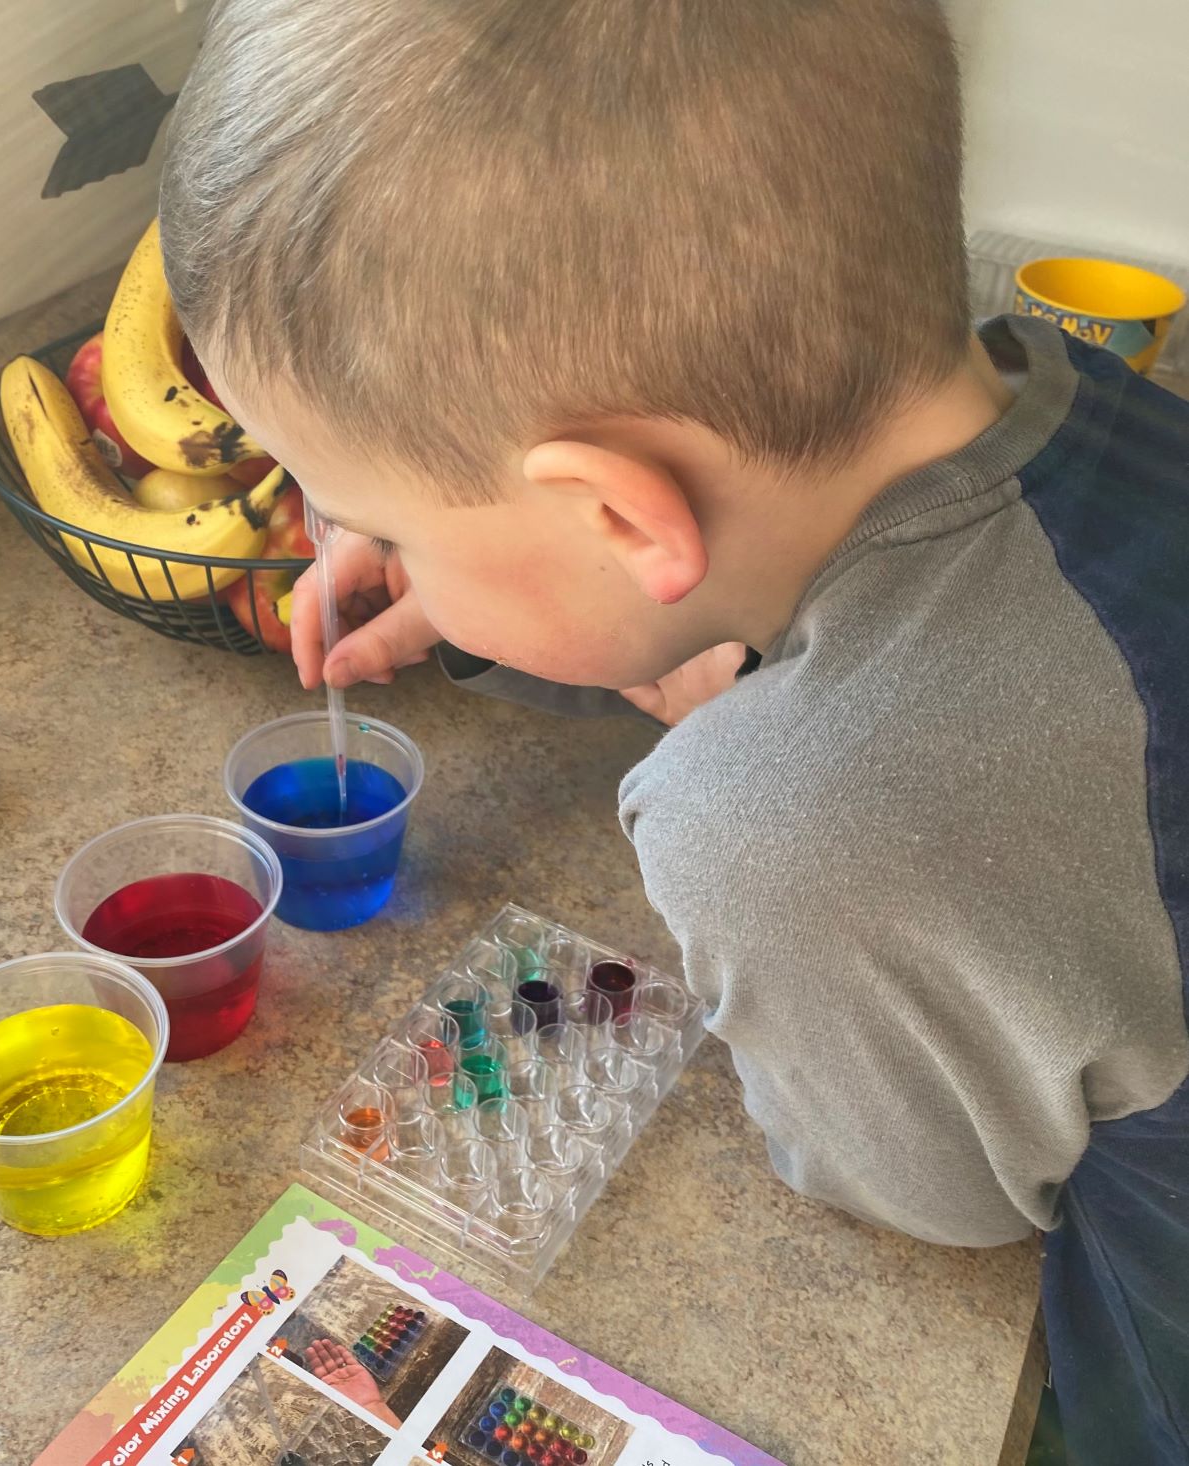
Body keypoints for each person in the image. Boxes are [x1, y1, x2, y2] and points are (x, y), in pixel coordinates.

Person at [159, 2, 1189, 1459]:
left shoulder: (784, 819)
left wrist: (769, 741)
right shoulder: (1084, 388)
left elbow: (923, 1196)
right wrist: (511, 596)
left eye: (382, 522)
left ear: (616, 516)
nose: (363, 549)